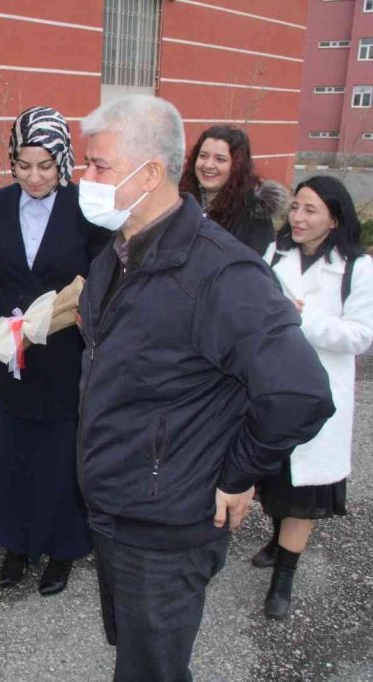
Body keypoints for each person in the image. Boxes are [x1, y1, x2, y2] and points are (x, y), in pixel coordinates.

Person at [76, 95, 334, 681]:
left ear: (149, 174)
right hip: (115, 507)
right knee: (137, 657)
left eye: (98, 166)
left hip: (167, 528)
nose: (83, 178)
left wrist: (238, 472)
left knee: (153, 671)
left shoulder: (221, 273)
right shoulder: (119, 253)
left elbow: (299, 393)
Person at [0, 106, 109, 592]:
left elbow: (103, 279)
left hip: (67, 353)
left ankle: (62, 550)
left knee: (60, 456)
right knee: (14, 452)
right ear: (12, 162)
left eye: (45, 166)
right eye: (24, 165)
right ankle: (17, 544)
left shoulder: (85, 208)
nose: (33, 176)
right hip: (11, 354)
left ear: (63, 162)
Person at [252, 176, 373, 620]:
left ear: (335, 218)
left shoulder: (358, 268)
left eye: (311, 210)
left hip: (320, 395)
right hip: (273, 389)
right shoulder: (274, 255)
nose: (298, 218)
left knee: (304, 492)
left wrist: (304, 319)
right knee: (276, 480)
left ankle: (283, 577)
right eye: (296, 208)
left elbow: (360, 337)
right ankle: (275, 539)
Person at [179, 125, 287, 255]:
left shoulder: (252, 212)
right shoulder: (180, 200)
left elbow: (256, 268)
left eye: (220, 159)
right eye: (203, 156)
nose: (208, 165)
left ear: (237, 165)